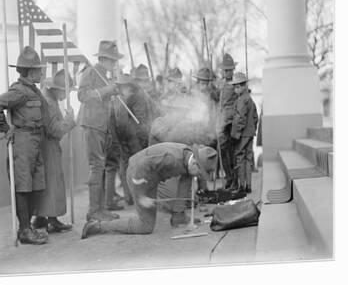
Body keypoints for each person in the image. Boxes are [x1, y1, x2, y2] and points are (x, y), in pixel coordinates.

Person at [81, 142, 218, 238]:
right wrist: (141, 195)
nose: (199, 178)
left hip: (151, 175)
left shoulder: (188, 155)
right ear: (194, 162)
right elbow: (142, 165)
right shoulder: (171, 159)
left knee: (187, 176)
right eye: (200, 174)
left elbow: (186, 176)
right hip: (138, 174)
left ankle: (178, 216)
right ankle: (97, 226)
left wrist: (179, 213)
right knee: (145, 226)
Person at [0, 46, 49, 245]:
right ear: (30, 72)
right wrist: (5, 129)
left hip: (35, 140)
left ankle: (28, 225)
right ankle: (24, 230)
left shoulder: (33, 90)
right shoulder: (19, 91)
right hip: (22, 141)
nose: (41, 72)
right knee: (23, 186)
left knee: (37, 185)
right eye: (39, 70)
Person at [77, 40, 124, 222]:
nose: (114, 64)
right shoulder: (91, 71)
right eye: (112, 60)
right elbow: (82, 96)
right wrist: (107, 90)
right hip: (92, 124)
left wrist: (112, 91)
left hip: (102, 126)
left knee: (101, 166)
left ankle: (101, 209)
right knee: (96, 167)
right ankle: (93, 211)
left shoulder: (106, 74)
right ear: (103, 59)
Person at [31, 69, 76, 233]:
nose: (67, 95)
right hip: (48, 146)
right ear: (59, 89)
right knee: (53, 182)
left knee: (45, 181)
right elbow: (55, 130)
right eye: (67, 91)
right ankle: (52, 220)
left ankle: (40, 217)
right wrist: (69, 121)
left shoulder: (48, 98)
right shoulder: (49, 102)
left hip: (42, 145)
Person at [113, 74, 155, 205]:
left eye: (125, 86)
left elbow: (141, 119)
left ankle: (135, 196)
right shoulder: (121, 99)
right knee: (128, 168)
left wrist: (142, 137)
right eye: (121, 86)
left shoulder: (137, 98)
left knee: (135, 167)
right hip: (125, 138)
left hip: (135, 138)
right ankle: (131, 196)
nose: (122, 89)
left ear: (130, 86)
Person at [213, 53, 239, 190]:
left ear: (233, 70)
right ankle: (228, 179)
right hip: (221, 122)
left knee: (232, 153)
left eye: (229, 70)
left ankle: (235, 181)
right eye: (225, 70)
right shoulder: (221, 84)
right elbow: (217, 100)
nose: (227, 72)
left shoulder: (236, 84)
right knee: (223, 152)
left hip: (231, 123)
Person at [230, 72, 258, 193]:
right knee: (248, 159)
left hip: (242, 134)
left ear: (243, 86)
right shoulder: (250, 99)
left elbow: (240, 118)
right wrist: (252, 130)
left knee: (240, 158)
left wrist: (235, 134)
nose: (235, 89)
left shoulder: (241, 100)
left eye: (237, 87)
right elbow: (255, 118)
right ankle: (249, 186)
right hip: (250, 133)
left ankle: (241, 186)